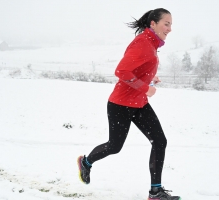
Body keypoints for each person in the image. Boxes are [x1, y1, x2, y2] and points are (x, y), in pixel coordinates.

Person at [77, 8, 180, 200]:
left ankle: (155, 192)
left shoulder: (151, 43)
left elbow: (137, 68)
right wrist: (145, 87)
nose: (170, 28)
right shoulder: (143, 43)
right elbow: (121, 71)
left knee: (159, 141)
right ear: (153, 24)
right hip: (120, 104)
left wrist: (150, 78)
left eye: (171, 24)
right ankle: (86, 162)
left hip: (139, 104)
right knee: (115, 146)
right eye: (166, 23)